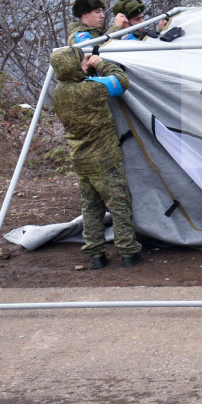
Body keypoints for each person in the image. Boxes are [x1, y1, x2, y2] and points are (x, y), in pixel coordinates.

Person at [49, 46, 143, 270]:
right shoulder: (89, 90)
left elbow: (85, 88)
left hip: (81, 159)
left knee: (91, 207)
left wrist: (85, 68)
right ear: (74, 67)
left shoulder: (59, 93)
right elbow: (121, 81)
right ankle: (128, 251)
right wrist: (99, 63)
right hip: (105, 158)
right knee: (119, 205)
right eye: (80, 62)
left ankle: (96, 254)